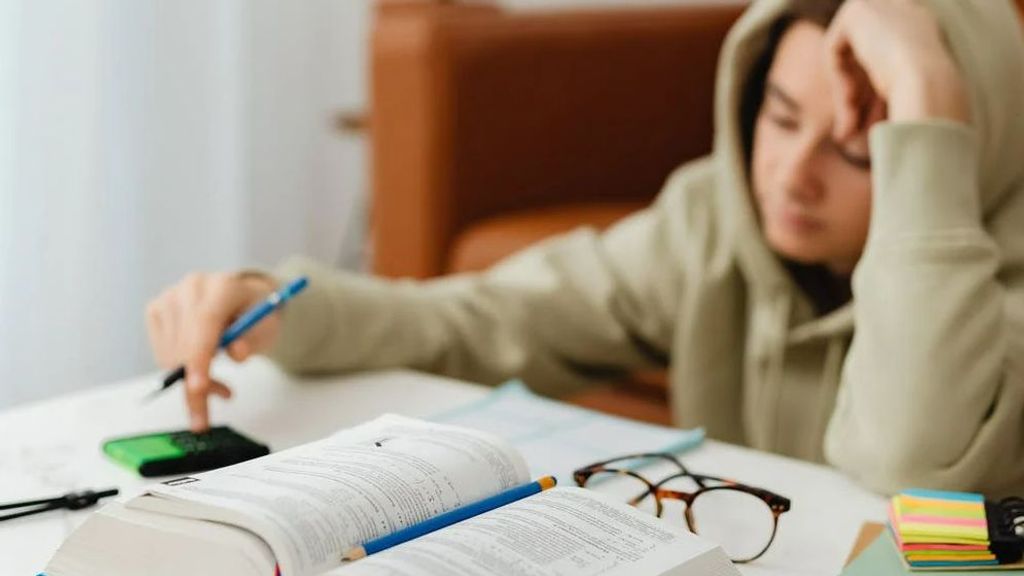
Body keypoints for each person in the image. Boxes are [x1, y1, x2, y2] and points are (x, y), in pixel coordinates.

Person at [145, 0, 1024, 496]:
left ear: (956, 150)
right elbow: (490, 319)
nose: (791, 175)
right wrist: (279, 303)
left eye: (859, 148)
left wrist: (925, 90)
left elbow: (920, 468)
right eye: (780, 118)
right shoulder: (716, 220)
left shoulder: (999, 287)